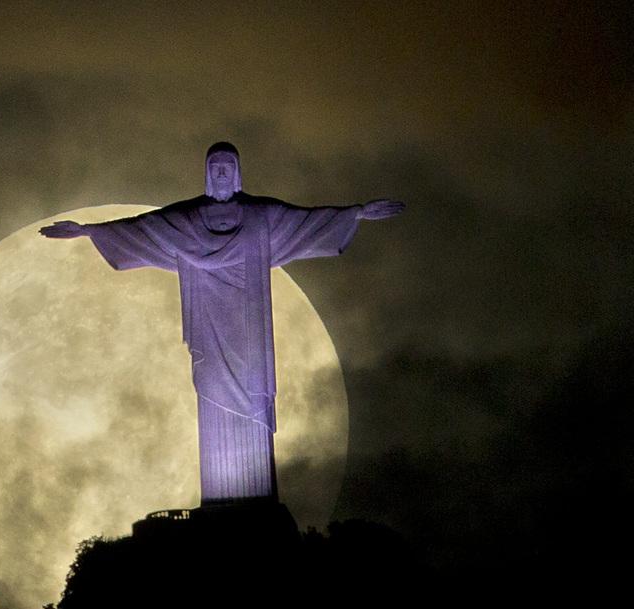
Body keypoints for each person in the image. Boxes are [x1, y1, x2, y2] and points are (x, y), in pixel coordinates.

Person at [41, 142, 403, 506]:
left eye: (228, 166)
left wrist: (357, 213)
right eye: (215, 167)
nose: (222, 173)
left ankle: (254, 497)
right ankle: (221, 498)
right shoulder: (187, 219)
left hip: (249, 329)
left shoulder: (260, 216)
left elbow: (306, 221)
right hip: (209, 329)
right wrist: (88, 230)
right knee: (213, 396)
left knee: (252, 398)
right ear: (207, 174)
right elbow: (143, 230)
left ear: (238, 173)